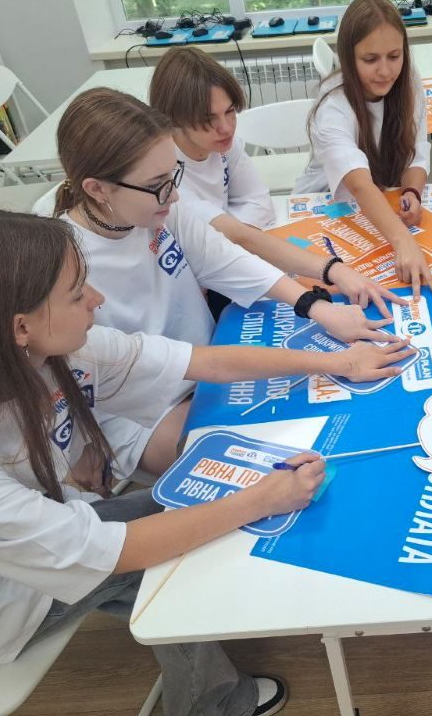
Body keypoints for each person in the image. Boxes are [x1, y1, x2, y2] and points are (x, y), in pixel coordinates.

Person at [0, 211, 412, 715]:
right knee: (180, 558)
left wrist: (335, 361)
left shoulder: (41, 352)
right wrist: (262, 498)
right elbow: (116, 551)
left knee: (205, 506)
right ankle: (217, 704)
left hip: (39, 535)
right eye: (76, 294)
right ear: (20, 326)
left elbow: (200, 361)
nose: (96, 301)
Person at [34, 88, 400, 483]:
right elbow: (167, 369)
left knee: (328, 418)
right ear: (97, 188)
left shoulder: (159, 209)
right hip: (146, 414)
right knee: (288, 463)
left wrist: (317, 305)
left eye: (173, 174)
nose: (174, 194)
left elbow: (228, 260)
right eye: (158, 183)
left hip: (212, 366)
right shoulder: (62, 266)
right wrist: (337, 353)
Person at [148, 45, 403, 317]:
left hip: (228, 264)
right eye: (208, 120)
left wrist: (227, 229)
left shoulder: (223, 144)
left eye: (231, 112)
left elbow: (259, 203)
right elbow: (239, 236)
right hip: (197, 298)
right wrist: (333, 269)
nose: (226, 127)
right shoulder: (165, 174)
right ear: (174, 120)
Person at [294, 0, 432, 298]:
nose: (385, 71)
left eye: (394, 56)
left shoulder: (409, 81)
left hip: (380, 204)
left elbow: (417, 149)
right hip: (326, 208)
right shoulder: (332, 105)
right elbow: (358, 184)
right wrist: (402, 241)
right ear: (348, 58)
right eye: (370, 60)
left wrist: (411, 192)